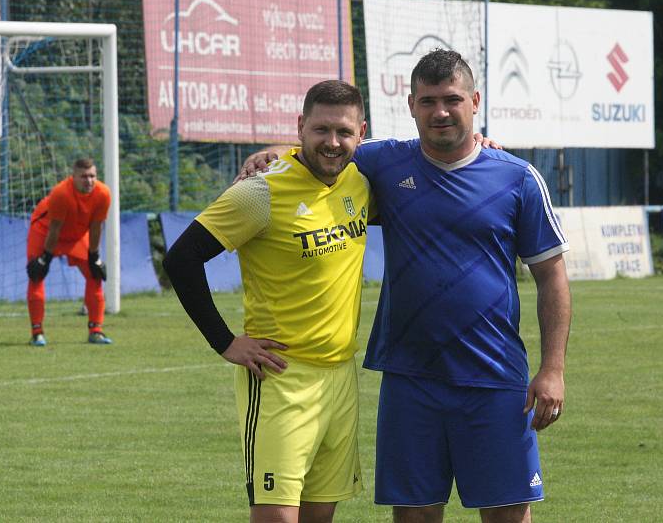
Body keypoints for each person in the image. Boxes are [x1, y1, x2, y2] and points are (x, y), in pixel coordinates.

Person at [241, 49, 572, 523]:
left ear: (474, 101)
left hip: (496, 378)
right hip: (410, 377)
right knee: (413, 515)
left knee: (507, 515)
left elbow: (552, 276)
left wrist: (553, 369)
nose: (440, 111)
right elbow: (330, 147)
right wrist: (272, 152)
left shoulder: (517, 178)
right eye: (429, 100)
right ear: (411, 104)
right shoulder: (385, 163)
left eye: (452, 99)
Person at [162, 80, 371, 523]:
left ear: (362, 133)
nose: (332, 143)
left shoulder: (361, 177)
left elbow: (433, 143)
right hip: (281, 378)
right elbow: (181, 258)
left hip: (340, 379)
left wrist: (481, 141)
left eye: (344, 132)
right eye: (320, 130)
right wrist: (224, 342)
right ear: (300, 127)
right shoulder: (260, 191)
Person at [26, 158, 112, 346]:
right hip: (45, 231)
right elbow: (54, 229)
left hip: (77, 234)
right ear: (73, 177)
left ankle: (96, 330)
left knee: (95, 274)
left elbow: (97, 227)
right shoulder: (61, 193)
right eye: (83, 177)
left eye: (92, 176)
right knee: (36, 275)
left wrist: (94, 256)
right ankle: (37, 332)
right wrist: (45, 259)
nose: (89, 181)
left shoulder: (103, 193)